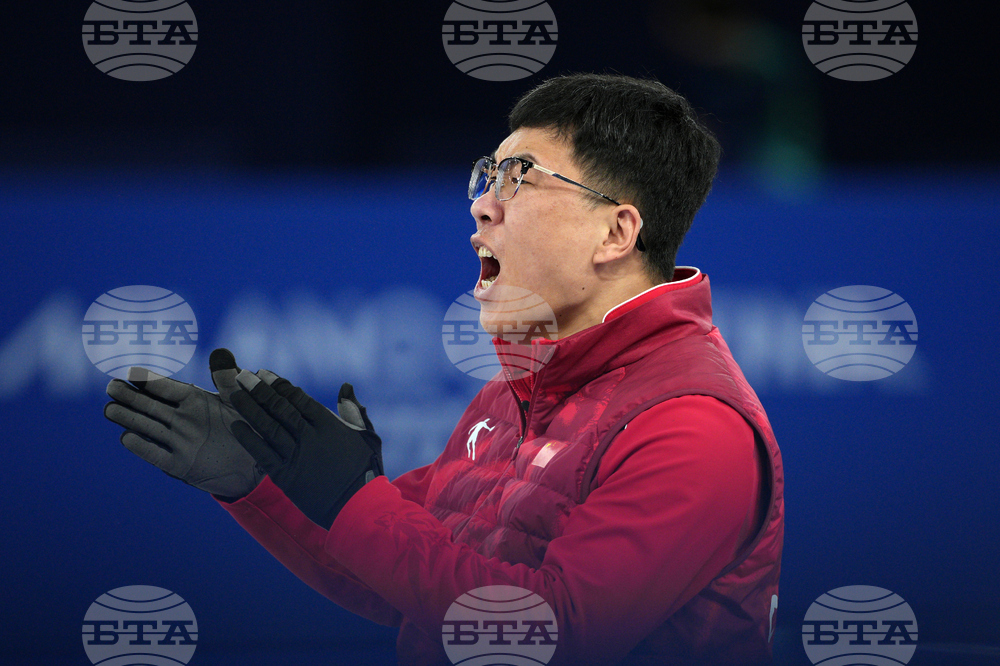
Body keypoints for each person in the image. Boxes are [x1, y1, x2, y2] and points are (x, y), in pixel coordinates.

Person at [104, 72, 784, 665]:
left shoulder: (694, 425)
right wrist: (257, 484)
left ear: (615, 233)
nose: (482, 204)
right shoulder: (509, 395)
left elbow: (552, 635)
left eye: (518, 180)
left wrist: (354, 499)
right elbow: (396, 580)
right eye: (488, 176)